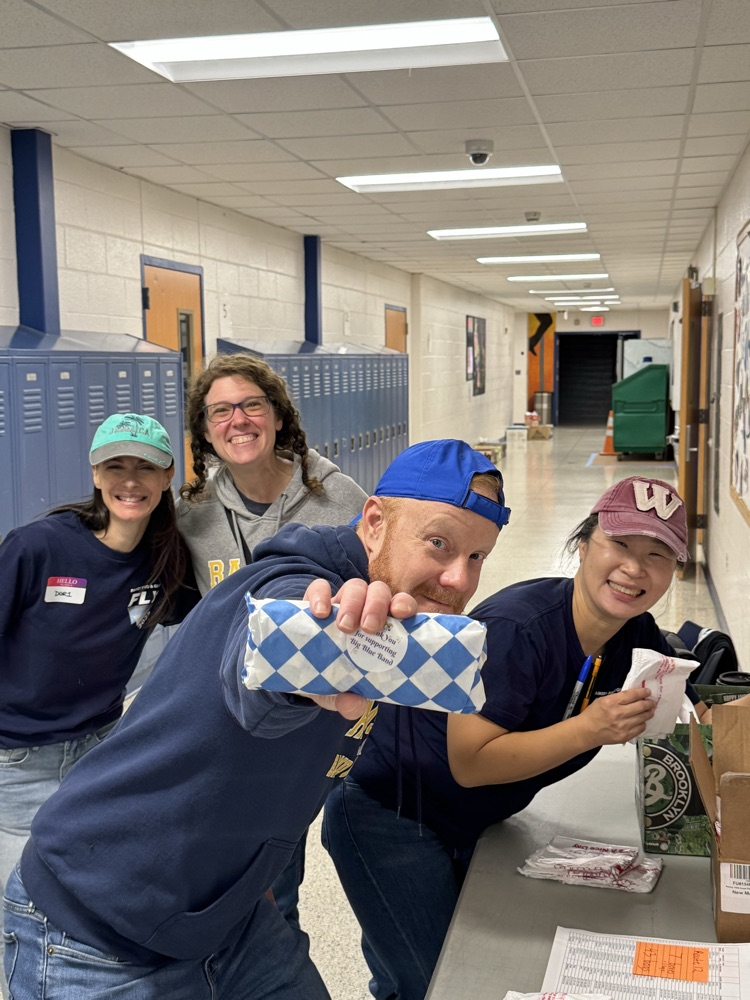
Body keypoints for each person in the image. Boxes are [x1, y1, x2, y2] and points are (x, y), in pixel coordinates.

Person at [3, 439, 510, 1000]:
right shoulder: (293, 591)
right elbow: (257, 666)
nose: (460, 579)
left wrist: (250, 879)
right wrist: (305, 663)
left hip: (229, 920)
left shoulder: (390, 637)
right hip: (95, 930)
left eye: (477, 557)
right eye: (438, 543)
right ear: (372, 523)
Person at [322, 475, 709, 1000]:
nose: (634, 568)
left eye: (658, 554)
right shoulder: (518, 629)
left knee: (421, 966)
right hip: (390, 813)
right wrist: (588, 729)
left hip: (470, 817)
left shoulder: (633, 635)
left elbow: (680, 704)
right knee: (432, 982)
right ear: (581, 545)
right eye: (619, 544)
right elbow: (470, 761)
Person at [0, 412, 196, 983]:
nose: (129, 480)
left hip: (100, 754)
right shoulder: (37, 547)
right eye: (116, 465)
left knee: (85, 905)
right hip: (18, 762)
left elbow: (213, 625)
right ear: (95, 473)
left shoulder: (165, 560)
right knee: (26, 913)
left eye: (145, 467)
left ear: (167, 479)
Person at [177, 352, 368, 595]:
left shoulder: (341, 500)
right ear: (205, 431)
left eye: (253, 404)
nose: (239, 420)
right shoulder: (191, 515)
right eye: (221, 410)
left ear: (278, 417)